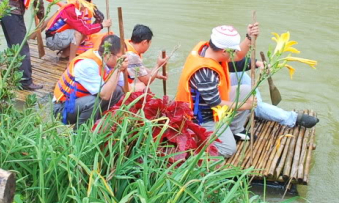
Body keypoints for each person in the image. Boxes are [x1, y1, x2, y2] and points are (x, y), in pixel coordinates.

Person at [176, 25, 259, 158]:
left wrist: (249, 38)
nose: (234, 54)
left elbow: (237, 56)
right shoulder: (205, 73)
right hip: (201, 117)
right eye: (232, 51)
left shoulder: (207, 49)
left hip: (215, 99)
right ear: (224, 51)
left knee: (246, 90)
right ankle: (196, 149)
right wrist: (246, 106)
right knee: (228, 149)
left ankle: (233, 129)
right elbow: (216, 104)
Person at [52, 34, 127, 127]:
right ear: (108, 54)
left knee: (118, 91)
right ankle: (79, 134)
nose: (122, 61)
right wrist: (118, 69)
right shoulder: (87, 64)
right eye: (120, 57)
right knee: (93, 102)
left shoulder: (111, 64)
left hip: (80, 103)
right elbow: (105, 95)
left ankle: (97, 126)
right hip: (62, 109)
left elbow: (126, 89)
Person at [228, 58, 318, 130]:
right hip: (218, 96)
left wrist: (257, 63)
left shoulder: (219, 54)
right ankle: (291, 118)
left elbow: (232, 61)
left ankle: (257, 106)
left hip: (224, 82)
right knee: (256, 104)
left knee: (238, 72)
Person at [44, 0, 111, 61]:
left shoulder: (83, 8)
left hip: (61, 36)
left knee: (82, 31)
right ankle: (71, 60)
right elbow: (85, 29)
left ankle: (66, 53)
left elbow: (99, 17)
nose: (82, 5)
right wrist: (102, 25)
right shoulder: (71, 9)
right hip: (53, 40)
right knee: (79, 33)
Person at [125, 24, 167, 91]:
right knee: (143, 87)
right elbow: (147, 81)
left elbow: (138, 68)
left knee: (137, 79)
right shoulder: (132, 56)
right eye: (149, 43)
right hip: (117, 86)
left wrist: (157, 75)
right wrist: (158, 65)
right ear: (144, 42)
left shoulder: (127, 44)